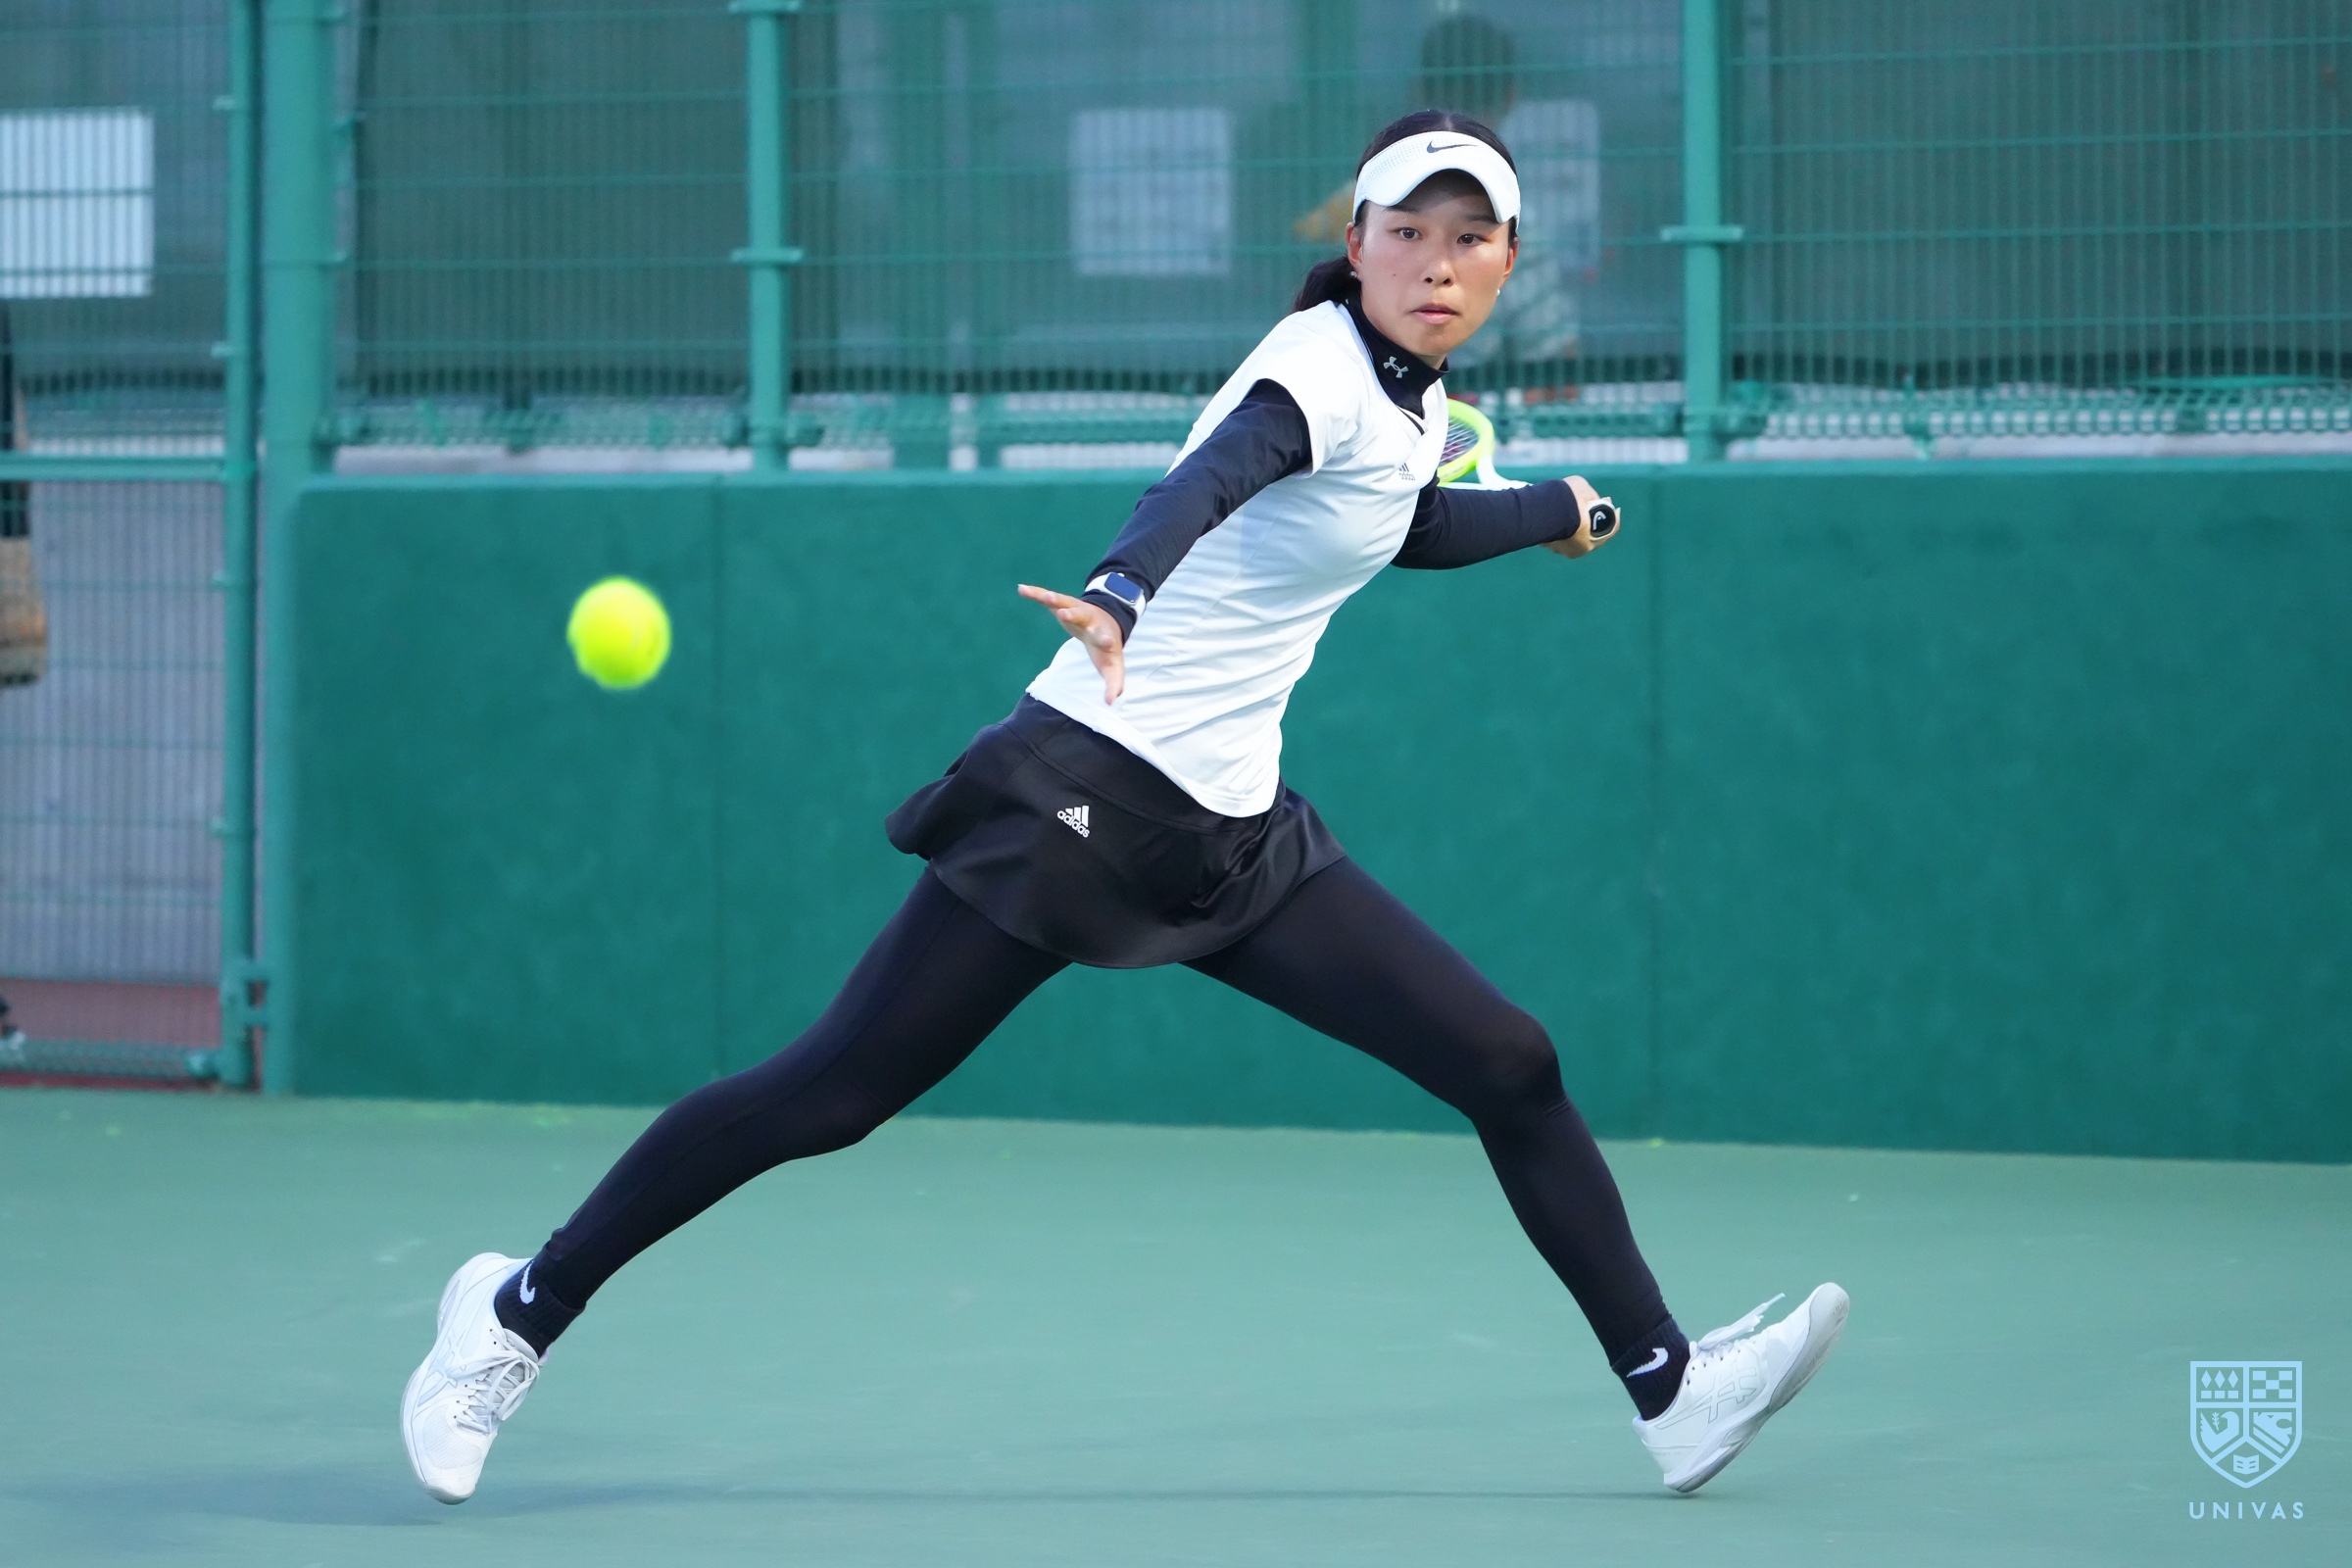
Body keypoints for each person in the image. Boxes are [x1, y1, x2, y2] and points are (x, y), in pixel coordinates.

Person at [400, 109, 1847, 1506]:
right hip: (1079, 797)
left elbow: (1406, 521)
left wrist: (1556, 506)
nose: (1437, 262)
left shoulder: (1411, 407)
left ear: (1508, 264)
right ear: (1356, 242)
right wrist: (1120, 588)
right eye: (1408, 231)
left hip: (1236, 839)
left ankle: (1672, 1392)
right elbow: (1211, 479)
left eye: (1471, 239)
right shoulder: (1313, 370)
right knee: (829, 1095)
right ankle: (515, 1312)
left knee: (1509, 1062)